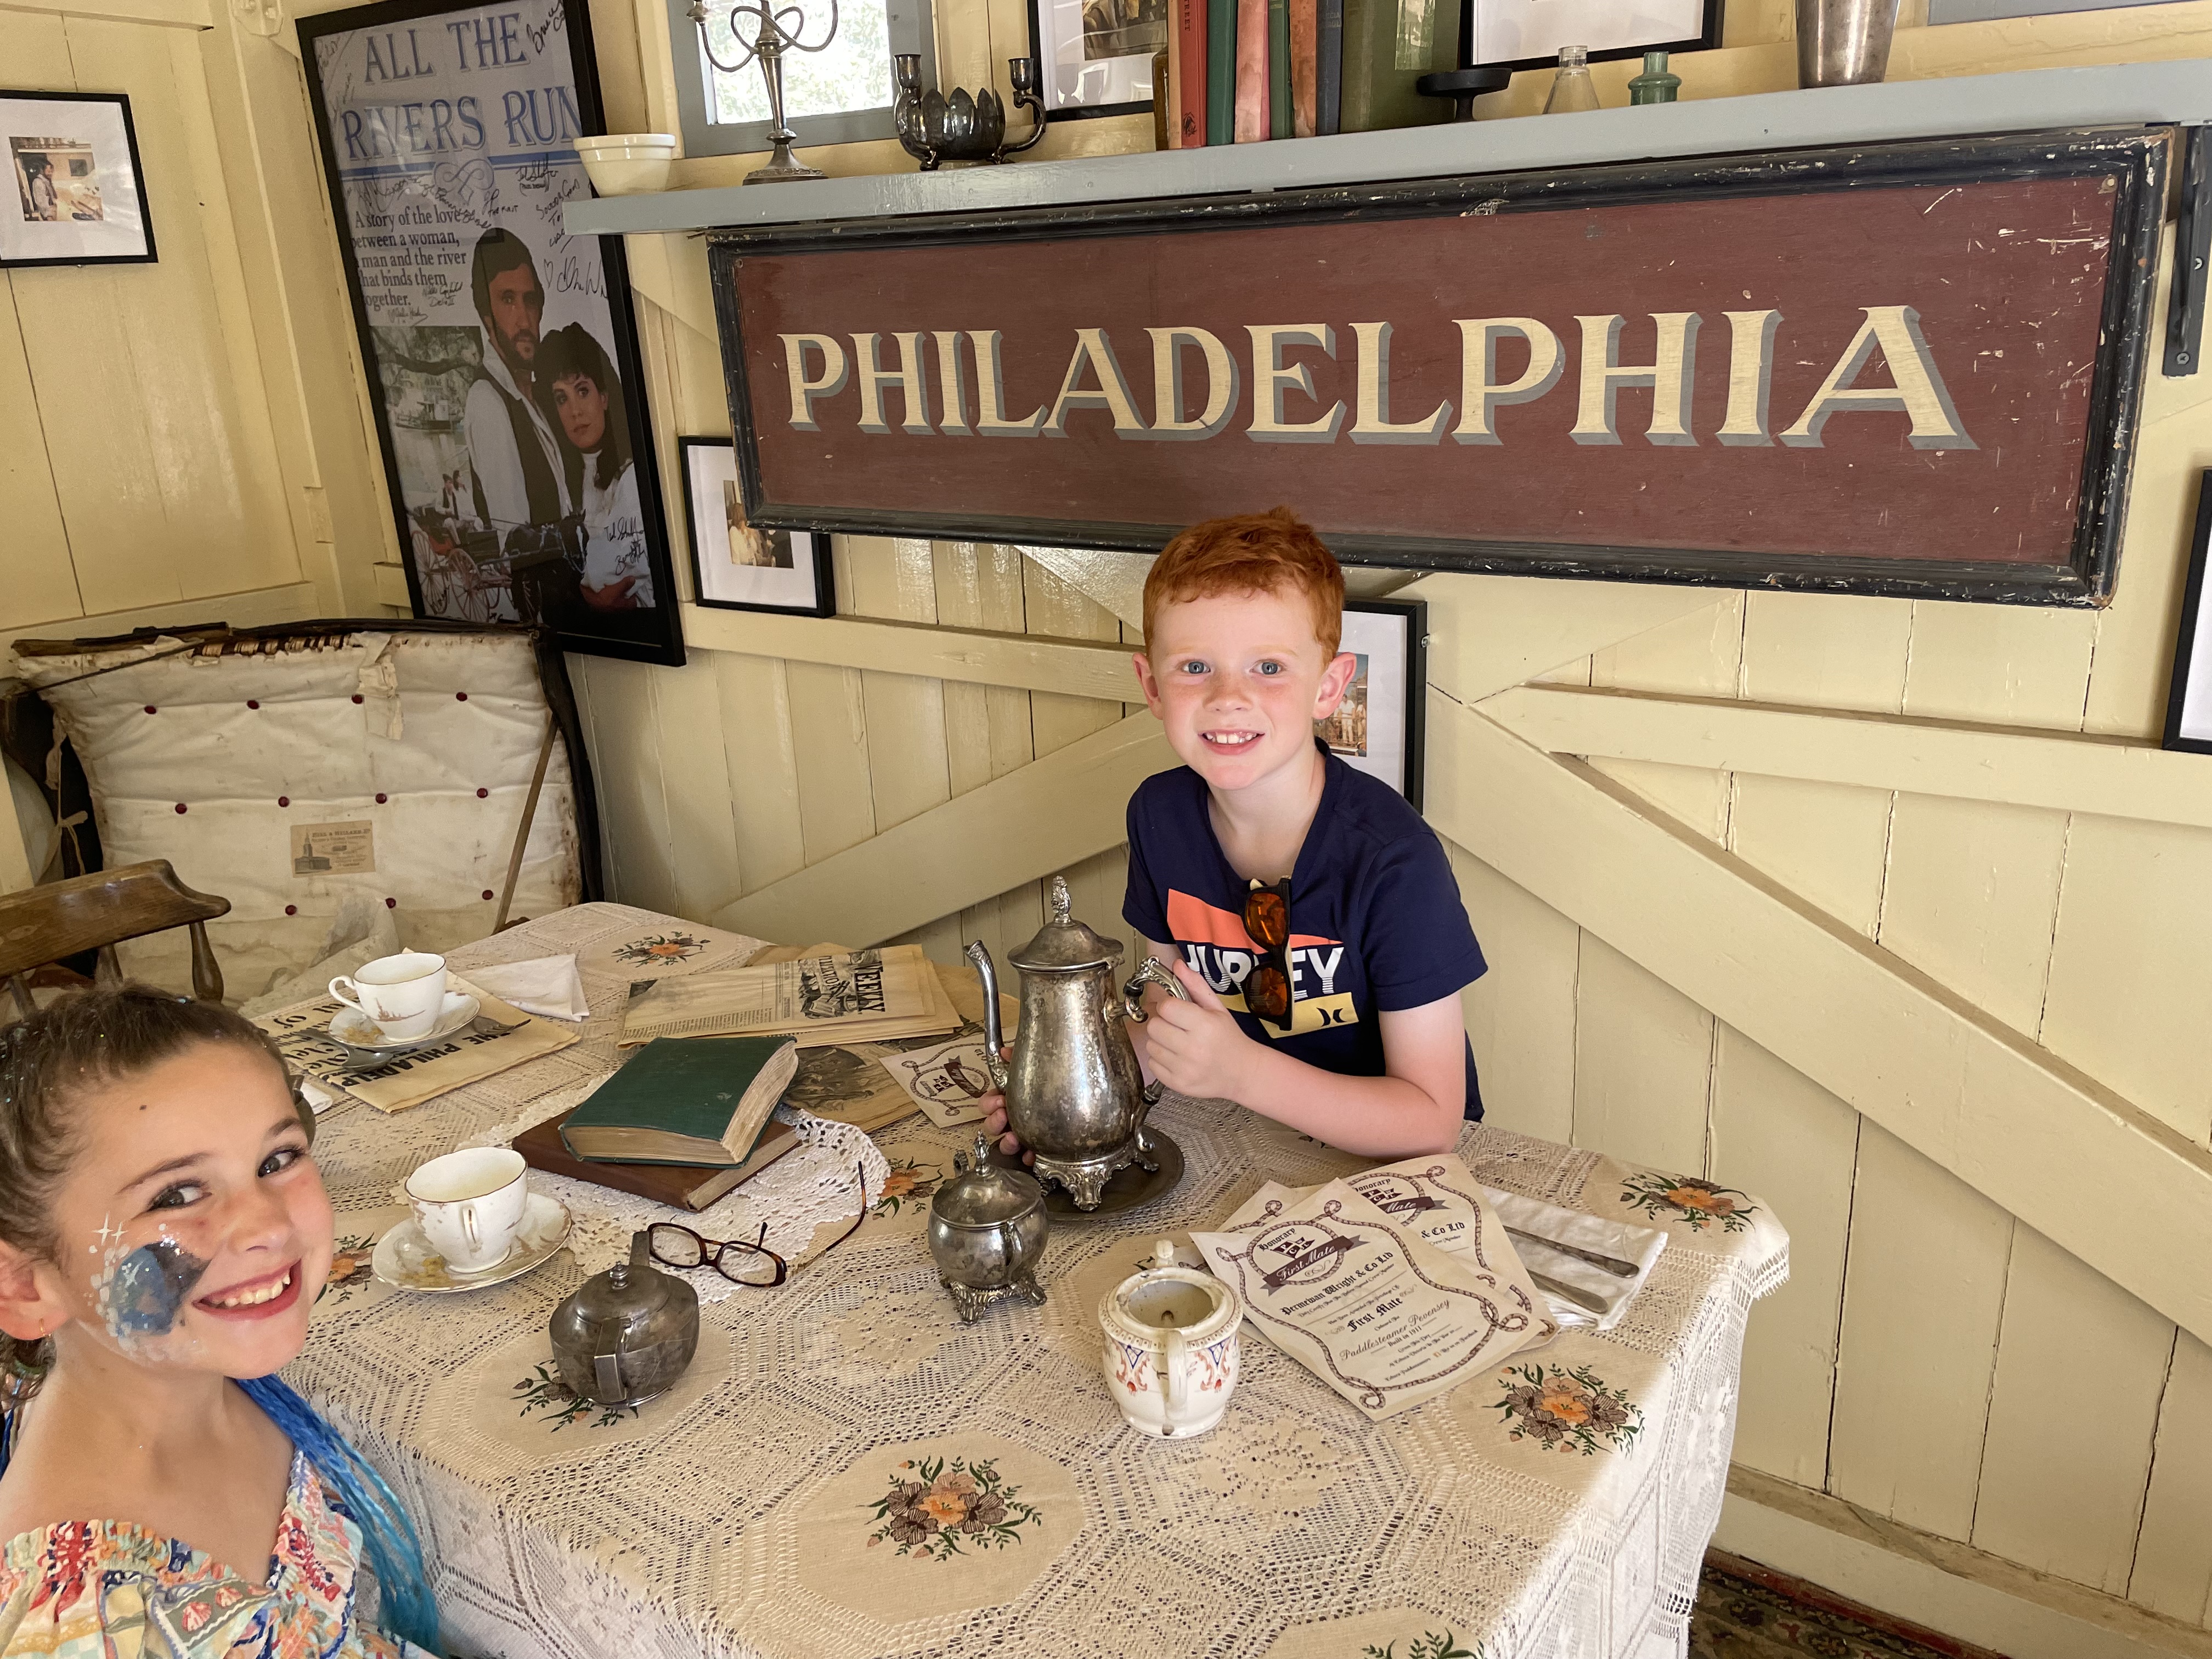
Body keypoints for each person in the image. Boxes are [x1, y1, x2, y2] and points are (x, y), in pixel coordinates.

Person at [986, 507, 1486, 1160]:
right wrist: (1067, 1086)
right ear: (1152, 686)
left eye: (1269, 668)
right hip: (1242, 1136)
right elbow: (1167, 1022)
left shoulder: (1395, 860)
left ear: (1330, 688)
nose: (1227, 697)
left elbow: (1432, 1122)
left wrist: (1242, 1072)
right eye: (1195, 667)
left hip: (1392, 1167)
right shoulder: (1160, 816)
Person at [0, 989, 441, 1656]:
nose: (267, 1224)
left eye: (277, 1160)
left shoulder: (194, 1368)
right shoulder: (106, 1626)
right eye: (176, 1195)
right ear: (25, 1287)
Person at [462, 229, 572, 548]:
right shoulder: (488, 402)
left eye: (530, 301)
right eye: (508, 300)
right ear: (487, 315)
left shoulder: (534, 397)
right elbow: (517, 540)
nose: (524, 320)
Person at [537, 324, 653, 611]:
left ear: (604, 396)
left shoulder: (632, 475)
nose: (575, 411)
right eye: (562, 398)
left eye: (583, 391)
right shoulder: (559, 482)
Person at [18, 156, 55, 222]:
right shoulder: (38, 182)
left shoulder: (47, 181)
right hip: (47, 216)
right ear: (42, 171)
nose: (51, 173)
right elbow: (41, 201)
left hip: (52, 213)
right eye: (48, 171)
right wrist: (48, 216)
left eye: (51, 171)